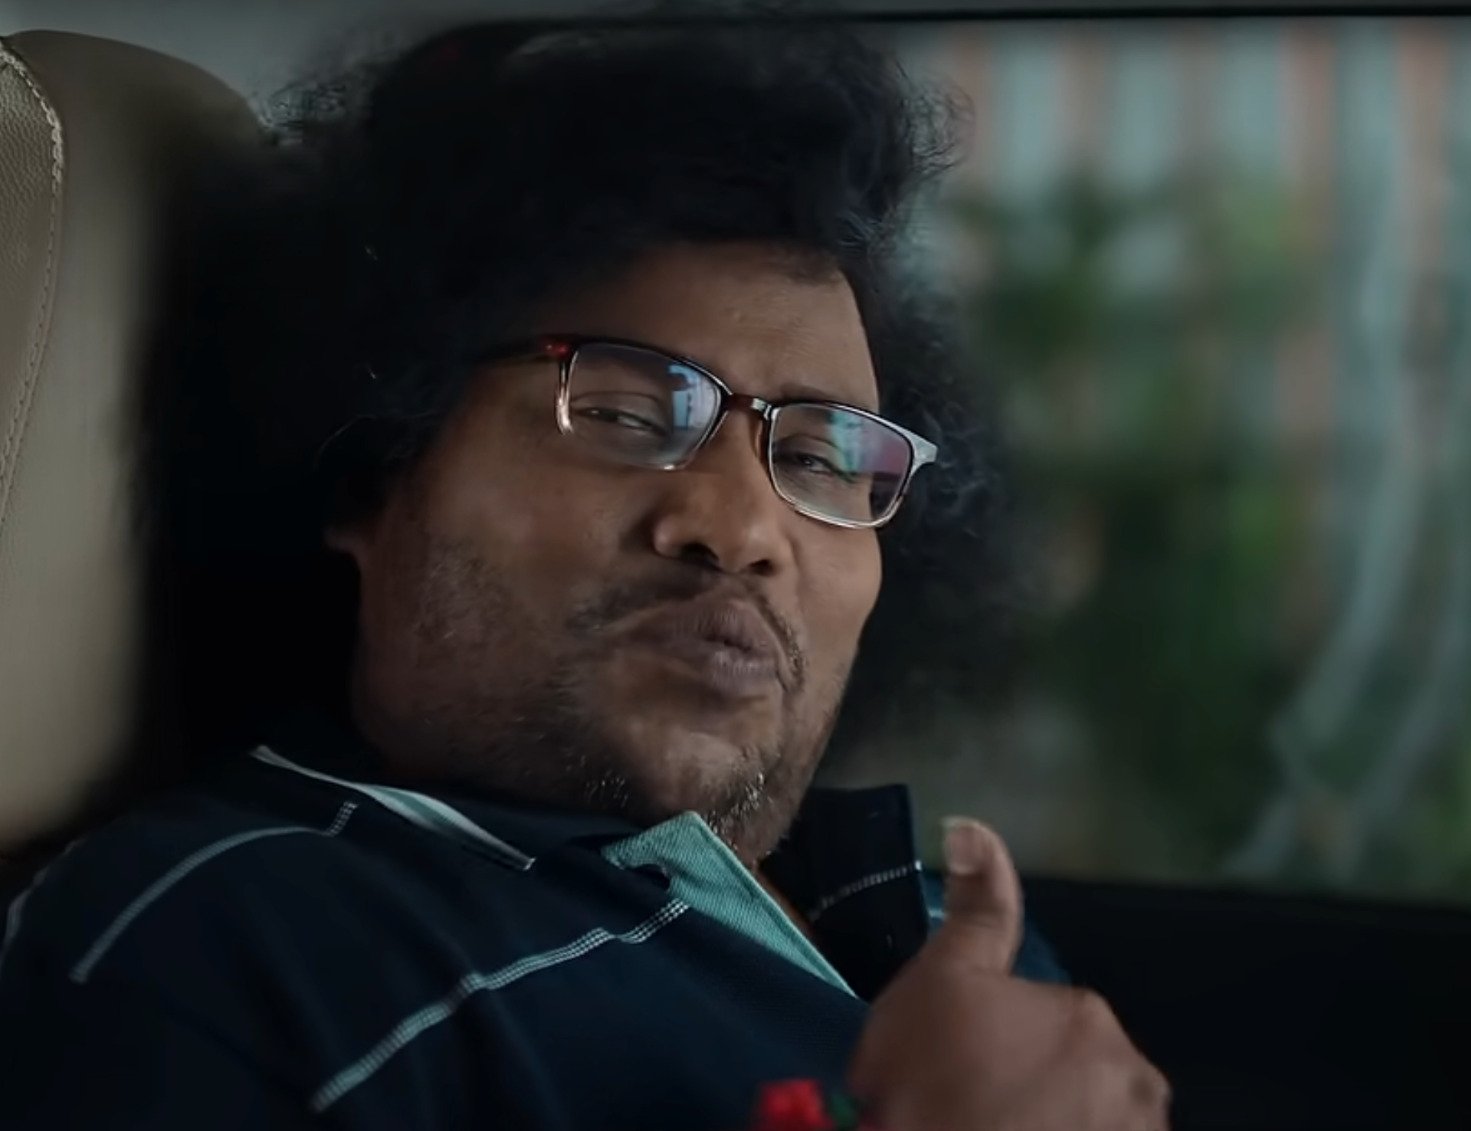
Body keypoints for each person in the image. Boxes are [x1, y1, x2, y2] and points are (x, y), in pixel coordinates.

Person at [0, 11, 1169, 1130]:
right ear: (368, 470)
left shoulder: (944, 933)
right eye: (622, 411)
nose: (740, 527)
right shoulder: (225, 956)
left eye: (819, 456)